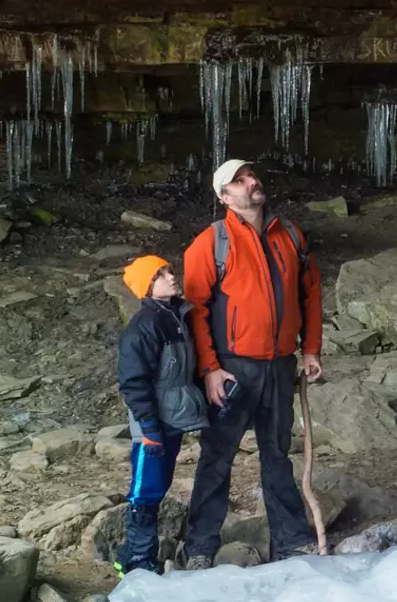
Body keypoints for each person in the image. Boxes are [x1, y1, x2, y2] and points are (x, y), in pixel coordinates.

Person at [179, 158, 325, 567]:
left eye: (251, 176)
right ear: (224, 197)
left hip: (279, 364)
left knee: (277, 452)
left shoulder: (290, 235)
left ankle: (292, 540)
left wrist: (310, 348)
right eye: (239, 181)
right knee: (217, 456)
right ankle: (201, 545)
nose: (251, 182)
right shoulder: (211, 243)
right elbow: (196, 310)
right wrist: (209, 369)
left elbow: (310, 293)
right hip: (231, 368)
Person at [114, 255, 192, 575]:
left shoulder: (175, 316)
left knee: (158, 485)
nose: (171, 277)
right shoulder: (144, 325)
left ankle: (134, 553)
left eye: (169, 271)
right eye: (160, 275)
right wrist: (148, 426)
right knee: (145, 489)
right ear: (148, 287)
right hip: (152, 422)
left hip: (170, 417)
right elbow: (133, 382)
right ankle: (137, 560)